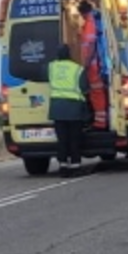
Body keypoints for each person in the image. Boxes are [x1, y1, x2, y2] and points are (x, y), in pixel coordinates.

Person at [47, 44, 90, 177]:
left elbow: (41, 75)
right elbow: (85, 89)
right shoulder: (78, 69)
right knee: (74, 139)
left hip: (57, 110)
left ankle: (63, 167)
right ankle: (75, 166)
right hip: (74, 110)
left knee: (62, 140)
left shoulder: (51, 67)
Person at [77, 0, 109, 131]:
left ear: (83, 12)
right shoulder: (94, 21)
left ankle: (100, 123)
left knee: (96, 93)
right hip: (96, 65)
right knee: (96, 93)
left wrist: (86, 64)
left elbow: (90, 45)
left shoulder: (90, 23)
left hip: (94, 66)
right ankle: (100, 121)